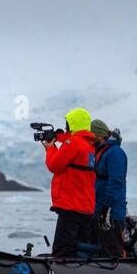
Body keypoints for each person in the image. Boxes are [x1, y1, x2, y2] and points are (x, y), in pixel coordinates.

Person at [42, 107, 97, 257]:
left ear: (72, 124)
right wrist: (59, 137)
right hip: (86, 207)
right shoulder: (89, 145)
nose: (66, 127)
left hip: (70, 206)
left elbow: (54, 165)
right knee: (81, 251)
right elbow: (71, 143)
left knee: (63, 251)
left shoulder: (73, 142)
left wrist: (50, 148)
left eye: (67, 124)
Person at [91, 119, 128, 258]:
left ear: (99, 135)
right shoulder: (102, 152)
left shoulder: (115, 153)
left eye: (91, 136)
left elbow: (116, 181)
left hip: (111, 213)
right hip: (100, 210)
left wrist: (107, 207)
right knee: (103, 251)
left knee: (113, 251)